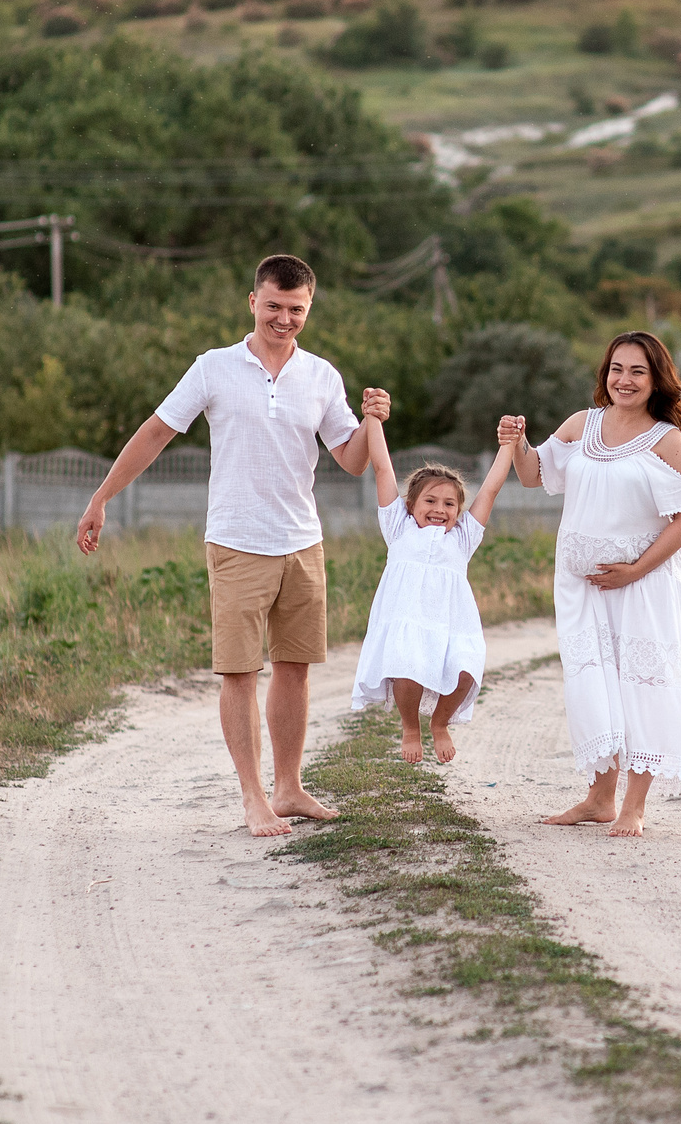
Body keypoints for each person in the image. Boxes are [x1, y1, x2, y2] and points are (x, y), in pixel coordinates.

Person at [75, 254, 387, 838]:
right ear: (252, 302)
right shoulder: (213, 367)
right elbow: (156, 432)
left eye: (296, 310)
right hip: (237, 542)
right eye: (274, 306)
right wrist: (102, 497)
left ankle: (288, 788)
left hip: (303, 543)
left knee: (294, 669)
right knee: (240, 672)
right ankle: (253, 797)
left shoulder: (322, 376)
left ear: (309, 309)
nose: (284, 319)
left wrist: (373, 423)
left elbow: (351, 460)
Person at [505, 331, 681, 838]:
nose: (625, 380)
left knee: (640, 686)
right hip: (582, 588)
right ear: (605, 373)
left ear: (656, 379)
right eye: (617, 368)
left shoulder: (666, 440)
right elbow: (532, 475)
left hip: (643, 587)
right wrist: (517, 442)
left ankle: (633, 807)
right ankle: (599, 800)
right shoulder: (581, 424)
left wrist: (635, 569)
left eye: (638, 371)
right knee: (594, 685)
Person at [348, 403, 517, 765]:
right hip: (407, 618)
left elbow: (490, 490)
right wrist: (373, 419)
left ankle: (440, 723)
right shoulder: (398, 527)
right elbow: (382, 467)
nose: (440, 509)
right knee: (407, 671)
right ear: (410, 504)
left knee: (466, 672)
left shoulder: (463, 537)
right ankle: (411, 727)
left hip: (452, 622)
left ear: (459, 511)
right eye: (430, 501)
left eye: (449, 504)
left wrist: (509, 444)